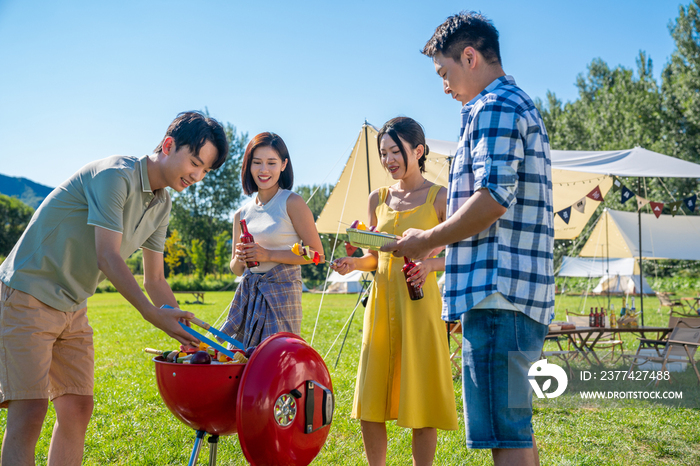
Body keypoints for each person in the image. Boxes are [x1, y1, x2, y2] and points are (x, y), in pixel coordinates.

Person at [0, 111, 229, 465]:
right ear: (168, 145)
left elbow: (155, 279)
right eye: (194, 162)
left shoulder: (162, 202)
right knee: (29, 412)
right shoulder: (115, 176)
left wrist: (191, 337)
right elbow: (107, 256)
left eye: (205, 171)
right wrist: (152, 315)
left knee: (77, 407)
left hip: (73, 305)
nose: (197, 176)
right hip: (27, 293)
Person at [383, 12, 555, 466]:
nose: (444, 85)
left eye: (444, 73)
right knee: (514, 430)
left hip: (497, 296)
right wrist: (438, 241)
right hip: (513, 295)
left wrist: (427, 241)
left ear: (470, 56)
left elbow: (494, 198)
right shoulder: (512, 103)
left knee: (505, 436)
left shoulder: (493, 106)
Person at [332, 117, 458, 466]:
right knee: (371, 401)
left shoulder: (440, 197)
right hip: (381, 306)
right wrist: (353, 264)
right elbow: (374, 257)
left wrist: (431, 265)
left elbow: (463, 253)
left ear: (418, 151)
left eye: (395, 151)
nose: (388, 160)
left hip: (420, 307)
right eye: (384, 153)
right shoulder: (378, 198)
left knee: (422, 398)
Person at [220, 132, 324, 348]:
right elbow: (237, 270)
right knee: (241, 363)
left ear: (284, 165)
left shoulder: (292, 202)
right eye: (257, 162)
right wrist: (240, 257)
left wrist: (268, 255)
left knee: (277, 363)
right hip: (249, 297)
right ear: (249, 166)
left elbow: (317, 255)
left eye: (271, 162)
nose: (264, 170)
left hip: (282, 299)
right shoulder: (241, 214)